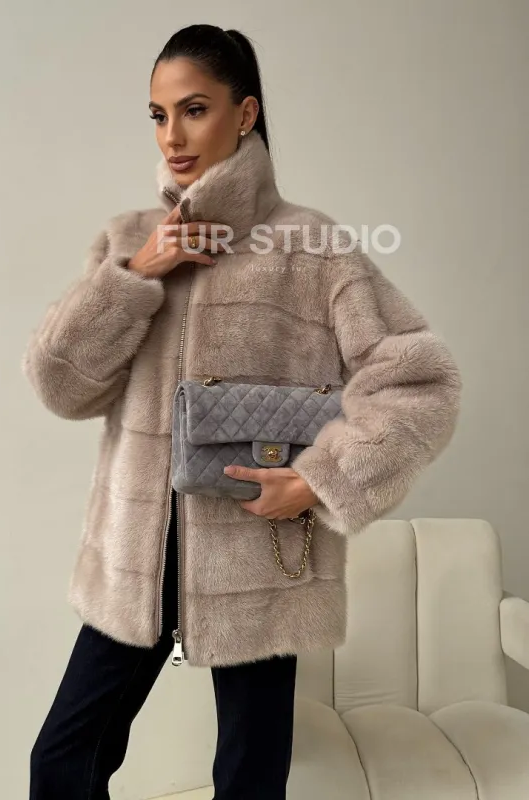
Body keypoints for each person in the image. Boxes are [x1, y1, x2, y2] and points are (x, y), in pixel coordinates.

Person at [24, 23, 462, 800]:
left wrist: (319, 480)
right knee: (61, 762)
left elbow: (420, 380)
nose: (173, 136)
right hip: (135, 561)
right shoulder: (129, 241)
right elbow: (61, 386)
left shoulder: (314, 247)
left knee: (250, 782)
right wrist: (139, 273)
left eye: (194, 109)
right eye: (158, 115)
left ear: (245, 113)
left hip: (262, 557)